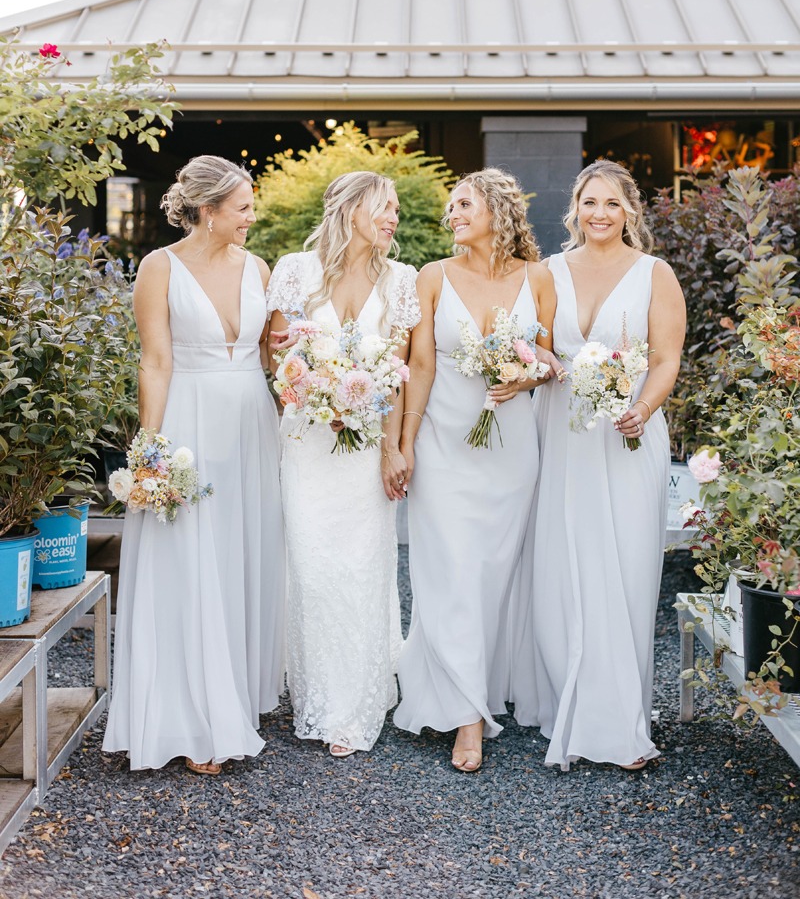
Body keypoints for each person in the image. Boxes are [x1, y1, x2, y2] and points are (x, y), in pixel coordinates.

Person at [103, 156, 285, 775]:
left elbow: (271, 354)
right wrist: (149, 452)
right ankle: (192, 714)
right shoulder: (160, 268)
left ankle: (234, 691)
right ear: (207, 212)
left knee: (239, 554)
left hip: (251, 427)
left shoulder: (259, 268)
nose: (251, 217)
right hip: (189, 426)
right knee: (189, 559)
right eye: (242, 207)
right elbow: (154, 362)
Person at [513, 159, 685, 771]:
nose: (600, 214)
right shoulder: (548, 271)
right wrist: (549, 364)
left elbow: (665, 358)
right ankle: (568, 697)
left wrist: (641, 406)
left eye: (612, 203)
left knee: (624, 565)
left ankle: (617, 716)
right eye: (590, 202)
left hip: (626, 433)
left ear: (629, 210)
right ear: (575, 209)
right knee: (560, 560)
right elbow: (527, 337)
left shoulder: (653, 275)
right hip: (560, 430)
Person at [392, 168, 556, 772]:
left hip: (510, 450)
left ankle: (478, 684)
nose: (453, 212)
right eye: (451, 205)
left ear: (498, 209)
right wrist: (405, 444)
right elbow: (422, 366)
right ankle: (467, 717)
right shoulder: (431, 277)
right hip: (443, 442)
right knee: (452, 571)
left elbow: (552, 356)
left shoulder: (537, 278)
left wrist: (528, 373)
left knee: (491, 574)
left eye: (464, 203)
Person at [266, 171, 420, 758]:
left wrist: (391, 448)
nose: (393, 218)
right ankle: (319, 695)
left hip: (365, 453)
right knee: (312, 568)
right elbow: (277, 360)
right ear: (352, 208)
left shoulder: (401, 280)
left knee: (363, 568)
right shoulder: (295, 270)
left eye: (397, 210)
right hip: (308, 442)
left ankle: (356, 703)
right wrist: (315, 395)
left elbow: (399, 374)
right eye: (385, 206)